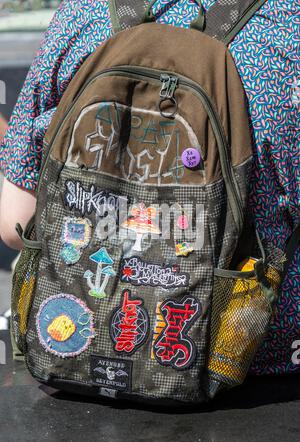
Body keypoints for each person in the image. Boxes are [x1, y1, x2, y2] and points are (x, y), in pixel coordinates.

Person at [0, 0, 299, 374]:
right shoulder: (287, 27)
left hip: (75, 362)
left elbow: (16, 222)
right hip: (254, 367)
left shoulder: (83, 13)